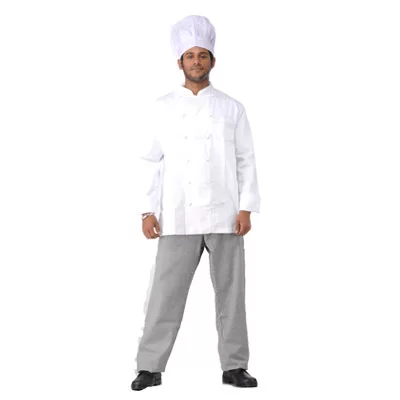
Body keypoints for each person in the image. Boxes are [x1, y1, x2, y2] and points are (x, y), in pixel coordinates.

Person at [131, 15, 261, 391]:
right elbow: (149, 161)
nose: (197, 61)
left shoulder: (232, 108)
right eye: (190, 55)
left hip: (226, 214)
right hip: (177, 214)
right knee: (164, 294)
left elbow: (245, 159)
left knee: (232, 294)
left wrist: (246, 207)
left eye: (202, 55)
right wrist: (147, 210)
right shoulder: (162, 107)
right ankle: (149, 366)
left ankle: (235, 365)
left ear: (212, 60)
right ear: (180, 62)